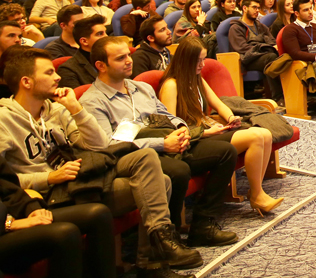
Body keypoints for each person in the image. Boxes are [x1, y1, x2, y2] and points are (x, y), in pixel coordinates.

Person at [1, 45, 200, 277]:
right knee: (163, 181)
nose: (57, 76)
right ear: (26, 82)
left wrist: (76, 110)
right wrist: (48, 177)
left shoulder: (56, 110)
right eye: (48, 73)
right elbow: (6, 182)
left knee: (147, 160)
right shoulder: (5, 120)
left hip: (80, 180)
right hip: (50, 194)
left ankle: (156, 252)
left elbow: (99, 147)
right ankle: (152, 261)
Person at [81, 37, 239, 249]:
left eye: (128, 55)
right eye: (121, 58)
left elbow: (166, 115)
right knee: (178, 170)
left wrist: (181, 129)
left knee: (225, 151)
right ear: (101, 65)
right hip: (132, 157)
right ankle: (167, 239)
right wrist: (162, 144)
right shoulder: (92, 101)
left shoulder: (141, 88)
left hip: (166, 144)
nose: (129, 61)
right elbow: (111, 143)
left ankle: (202, 225)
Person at [158, 36, 284, 214]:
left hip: (207, 130)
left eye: (203, 59)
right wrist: (206, 133)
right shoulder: (171, 85)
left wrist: (231, 117)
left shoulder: (196, 78)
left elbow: (217, 103)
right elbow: (172, 128)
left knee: (266, 134)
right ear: (185, 60)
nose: (202, 65)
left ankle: (257, 192)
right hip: (193, 141)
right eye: (198, 61)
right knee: (256, 137)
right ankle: (256, 194)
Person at [0, 153, 117, 278]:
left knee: (98, 214)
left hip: (9, 217)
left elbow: (9, 187)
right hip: (4, 229)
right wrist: (9, 224)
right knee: (65, 234)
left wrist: (31, 208)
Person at [228, 0, 283, 102]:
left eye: (258, 8)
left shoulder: (259, 25)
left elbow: (271, 40)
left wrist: (269, 46)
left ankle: (293, 94)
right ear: (244, 8)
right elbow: (242, 48)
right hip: (247, 59)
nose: (257, 10)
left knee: (283, 56)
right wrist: (264, 46)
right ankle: (278, 97)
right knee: (271, 57)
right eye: (254, 7)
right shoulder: (236, 27)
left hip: (262, 55)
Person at [55, 15, 106, 89]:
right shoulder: (68, 70)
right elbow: (76, 99)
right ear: (84, 41)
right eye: (100, 34)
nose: (106, 37)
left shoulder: (113, 59)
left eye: (105, 33)